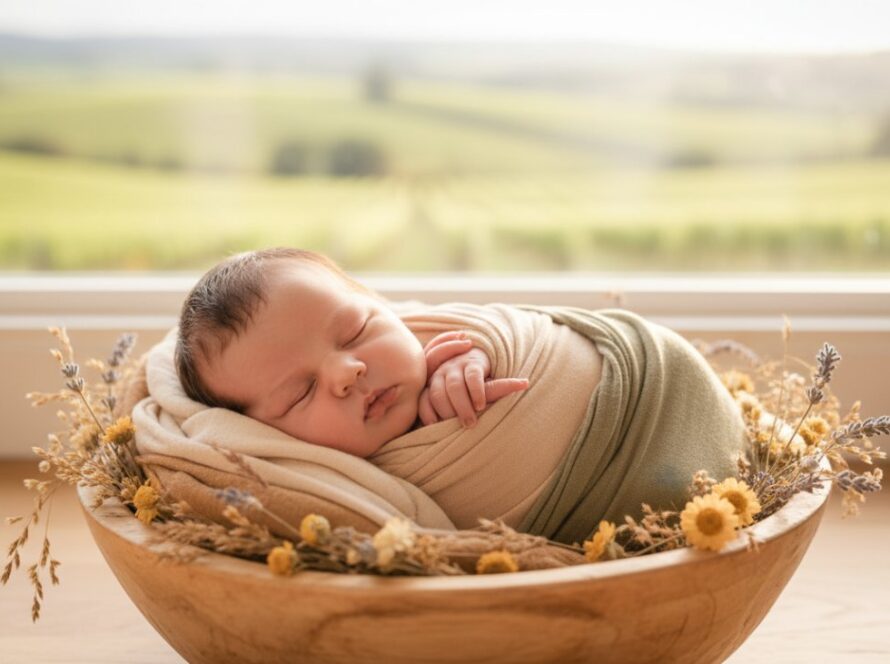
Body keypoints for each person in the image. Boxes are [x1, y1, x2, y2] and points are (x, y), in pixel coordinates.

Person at [175, 247, 529, 458]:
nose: (348, 372)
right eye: (302, 392)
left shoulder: (439, 345)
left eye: (354, 332)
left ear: (381, 304)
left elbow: (516, 333)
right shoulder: (339, 486)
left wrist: (477, 358)